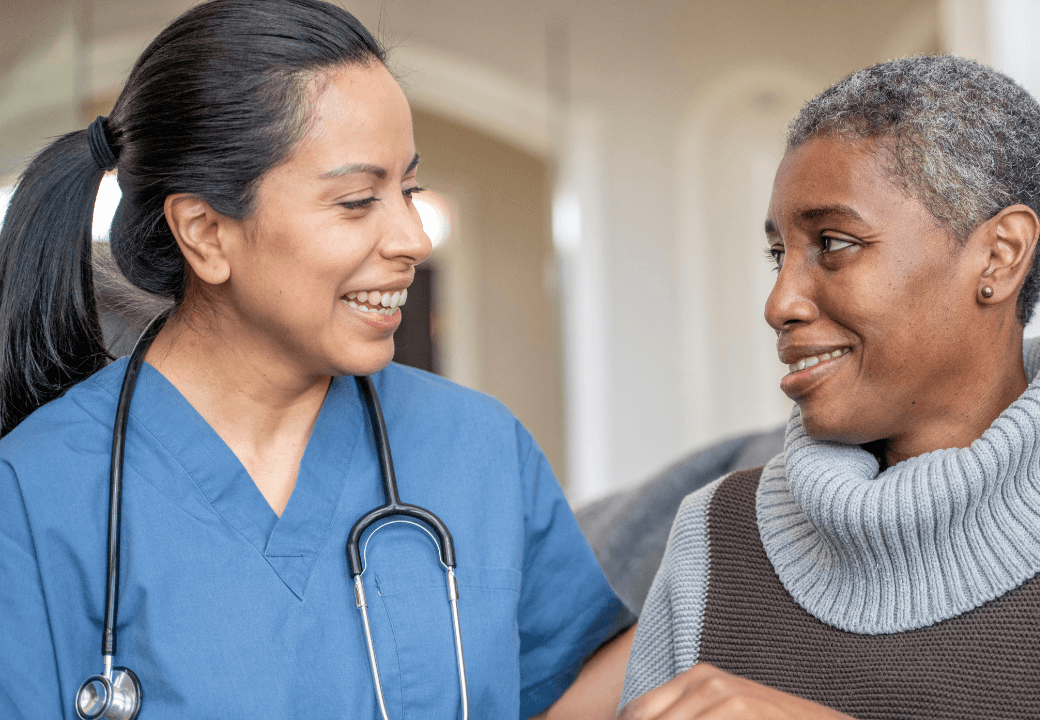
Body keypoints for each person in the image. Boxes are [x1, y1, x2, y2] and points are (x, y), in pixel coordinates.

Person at [0, 1, 634, 718]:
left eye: (410, 189)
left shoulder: (478, 449)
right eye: (359, 200)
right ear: (205, 233)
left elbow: (599, 663)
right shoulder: (35, 493)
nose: (413, 239)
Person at [619, 56, 1040, 719]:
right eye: (777, 255)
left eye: (834, 243)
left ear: (999, 254)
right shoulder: (712, 532)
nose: (780, 301)